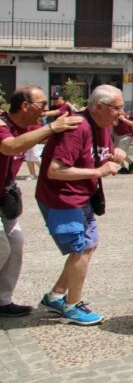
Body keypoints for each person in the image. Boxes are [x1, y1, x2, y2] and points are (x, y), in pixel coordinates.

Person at [36, 85, 127, 325]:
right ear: (100, 107)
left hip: (83, 196)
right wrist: (99, 170)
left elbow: (94, 155)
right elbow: (55, 171)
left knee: (89, 246)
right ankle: (73, 305)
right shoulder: (77, 128)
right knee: (81, 250)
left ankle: (56, 296)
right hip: (63, 198)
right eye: (118, 108)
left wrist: (112, 154)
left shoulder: (103, 126)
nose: (122, 113)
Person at [0, 86, 83, 317]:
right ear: (25, 105)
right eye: (42, 105)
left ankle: (3, 300)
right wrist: (51, 126)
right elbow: (10, 147)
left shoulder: (25, 127)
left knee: (15, 245)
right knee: (2, 248)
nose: (46, 110)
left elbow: (49, 127)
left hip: (5, 199)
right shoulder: (2, 126)